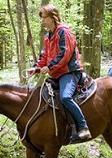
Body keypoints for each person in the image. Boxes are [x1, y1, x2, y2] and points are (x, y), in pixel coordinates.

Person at [28, 4, 91, 142]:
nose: (42, 20)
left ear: (53, 17)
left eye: (44, 17)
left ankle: (83, 127)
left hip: (69, 72)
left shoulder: (64, 32)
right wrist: (36, 68)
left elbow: (65, 54)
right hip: (56, 73)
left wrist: (49, 67)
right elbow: (44, 56)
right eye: (42, 17)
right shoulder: (48, 36)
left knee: (65, 97)